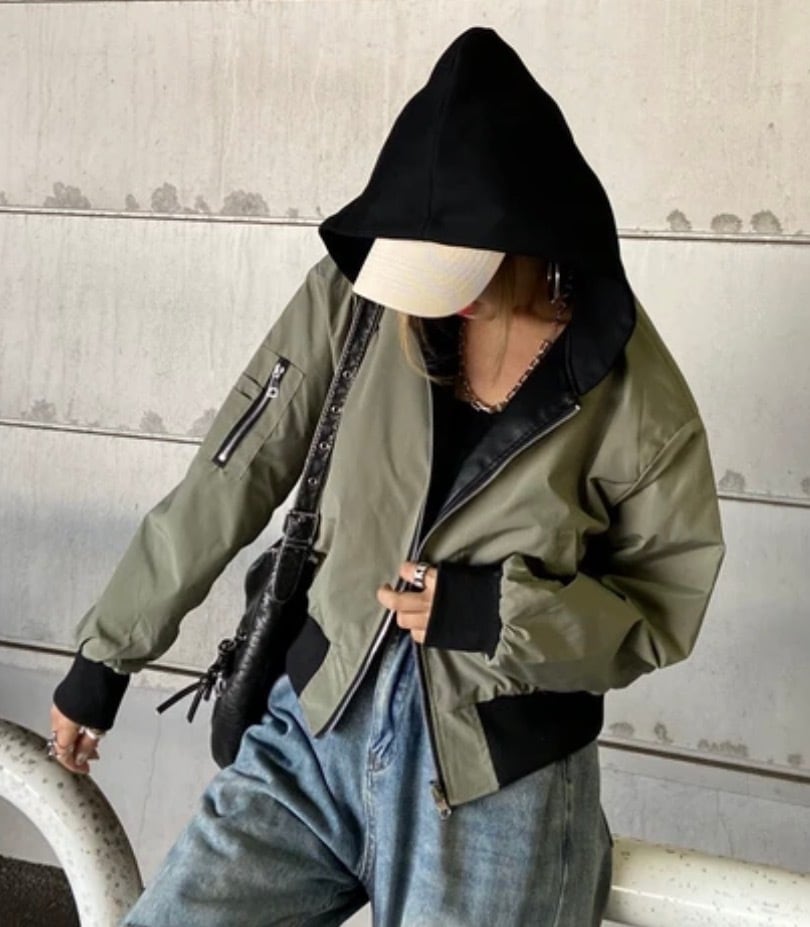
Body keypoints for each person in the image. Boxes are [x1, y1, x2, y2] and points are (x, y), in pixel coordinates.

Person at [47, 26, 725, 926]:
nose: (434, 291)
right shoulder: (357, 298)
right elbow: (235, 468)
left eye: (459, 262)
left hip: (497, 778)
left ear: (530, 230)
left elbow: (663, 604)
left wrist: (497, 614)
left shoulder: (629, 386)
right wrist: (108, 652)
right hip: (315, 727)